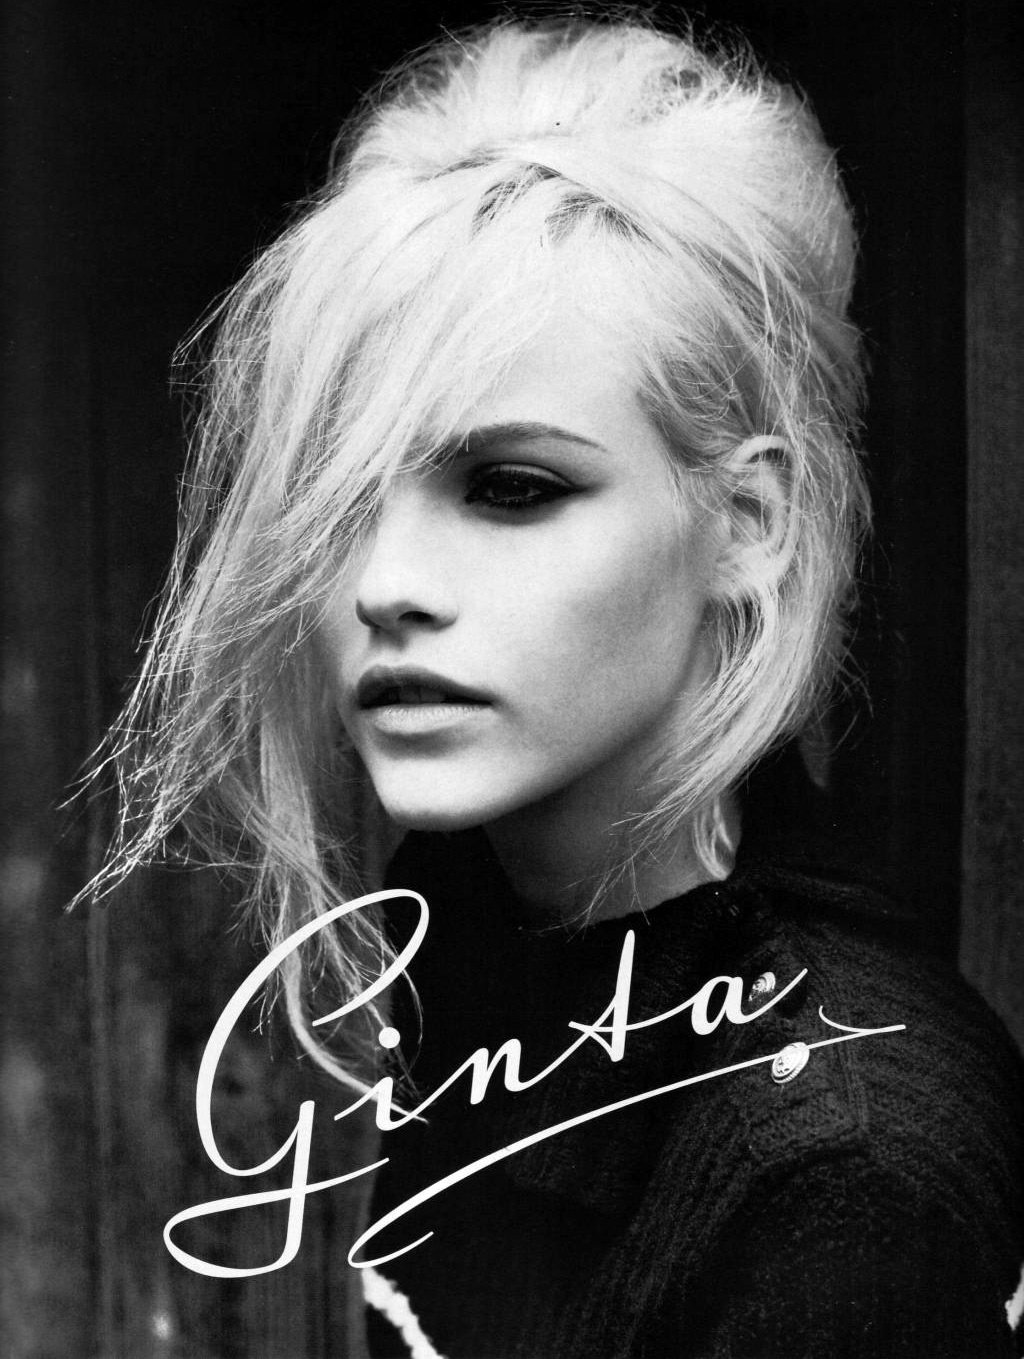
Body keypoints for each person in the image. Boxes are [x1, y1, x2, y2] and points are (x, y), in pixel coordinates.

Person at [86, 12, 1024, 1358]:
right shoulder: (477, 943)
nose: (384, 585)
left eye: (513, 487)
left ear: (750, 522)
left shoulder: (841, 1170)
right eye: (341, 502)